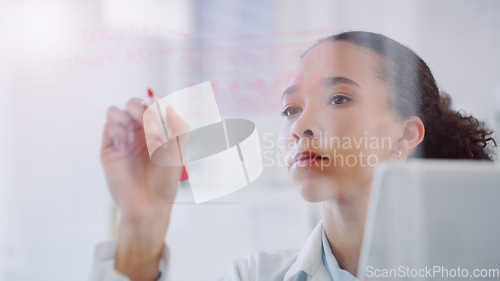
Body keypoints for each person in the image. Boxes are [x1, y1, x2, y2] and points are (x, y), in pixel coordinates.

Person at [89, 31, 497, 281]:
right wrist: (142, 222)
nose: (302, 126)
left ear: (406, 134)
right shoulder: (253, 276)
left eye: (338, 98)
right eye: (291, 109)